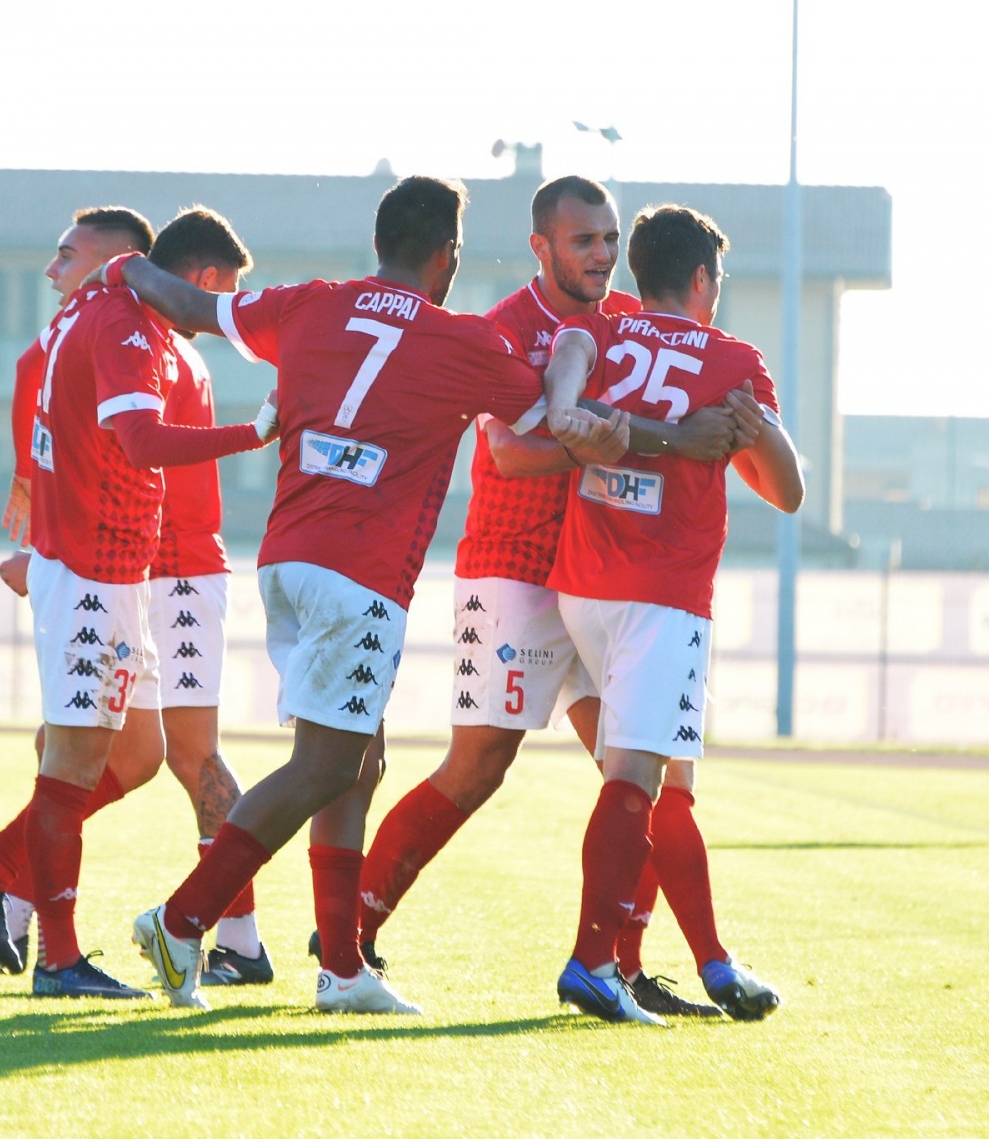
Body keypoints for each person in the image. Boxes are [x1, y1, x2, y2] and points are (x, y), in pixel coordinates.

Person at [110, 175, 621, 1014]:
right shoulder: (462, 340)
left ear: (380, 242)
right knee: (326, 763)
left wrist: (127, 269)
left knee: (360, 759)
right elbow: (547, 420)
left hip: (285, 558)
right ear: (447, 257)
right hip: (361, 575)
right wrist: (573, 350)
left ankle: (342, 968)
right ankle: (179, 919)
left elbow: (192, 307)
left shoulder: (312, 301)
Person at [331, 176, 761, 1019]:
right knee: (478, 764)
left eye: (608, 239)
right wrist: (633, 442)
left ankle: (628, 967)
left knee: (647, 777)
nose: (600, 254)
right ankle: (351, 931)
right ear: (542, 247)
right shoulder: (505, 328)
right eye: (582, 241)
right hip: (511, 572)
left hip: (598, 579)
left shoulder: (626, 324)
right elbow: (508, 453)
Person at [0, 204, 279, 1000]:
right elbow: (128, 441)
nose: (54, 271)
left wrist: (35, 514)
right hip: (146, 572)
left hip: (150, 571)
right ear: (201, 280)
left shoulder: (123, 331)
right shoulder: (127, 328)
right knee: (140, 754)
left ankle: (6, 890)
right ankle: (42, 925)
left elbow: (30, 377)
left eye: (66, 255)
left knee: (140, 754)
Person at [544, 203, 804, 1025]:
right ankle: (595, 962)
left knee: (669, 790)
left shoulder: (605, 331)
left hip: (581, 587)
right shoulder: (730, 358)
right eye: (716, 280)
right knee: (636, 781)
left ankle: (713, 964)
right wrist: (750, 426)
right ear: (701, 279)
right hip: (661, 597)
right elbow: (788, 492)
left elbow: (572, 416)